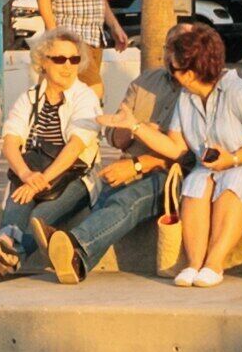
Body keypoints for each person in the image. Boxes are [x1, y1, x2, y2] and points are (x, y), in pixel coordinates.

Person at [29, 45, 186, 286]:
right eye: (170, 46)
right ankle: (69, 259)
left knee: (128, 200)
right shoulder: (146, 81)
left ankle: (71, 244)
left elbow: (188, 154)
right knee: (96, 193)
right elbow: (115, 134)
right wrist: (131, 129)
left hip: (171, 174)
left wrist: (139, 164)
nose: (172, 55)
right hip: (129, 163)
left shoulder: (194, 91)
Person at [0, 30, 107, 281]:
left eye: (74, 60)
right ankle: (4, 250)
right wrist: (26, 174)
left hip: (74, 178)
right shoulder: (29, 98)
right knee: (20, 192)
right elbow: (11, 140)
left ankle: (5, 254)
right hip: (35, 172)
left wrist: (40, 180)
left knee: (36, 216)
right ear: (43, 61)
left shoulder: (85, 97)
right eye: (59, 59)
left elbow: (76, 146)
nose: (68, 66)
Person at [161, 19, 242, 288]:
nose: (172, 72)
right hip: (214, 167)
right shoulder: (186, 97)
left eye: (174, 67)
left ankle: (214, 263)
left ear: (190, 71)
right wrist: (135, 127)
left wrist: (234, 158)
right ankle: (194, 264)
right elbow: (176, 145)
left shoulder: (239, 93)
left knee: (233, 183)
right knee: (195, 182)